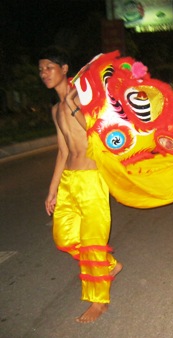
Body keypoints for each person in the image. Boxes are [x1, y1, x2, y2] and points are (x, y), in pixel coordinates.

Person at [39, 46, 122, 323]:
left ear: (64, 69)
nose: (43, 73)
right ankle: (110, 266)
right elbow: (63, 151)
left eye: (49, 67)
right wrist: (52, 191)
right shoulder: (54, 109)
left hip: (92, 178)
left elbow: (97, 133)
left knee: (92, 243)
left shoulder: (83, 98)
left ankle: (98, 302)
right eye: (40, 69)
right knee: (63, 237)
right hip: (69, 181)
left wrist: (75, 106)